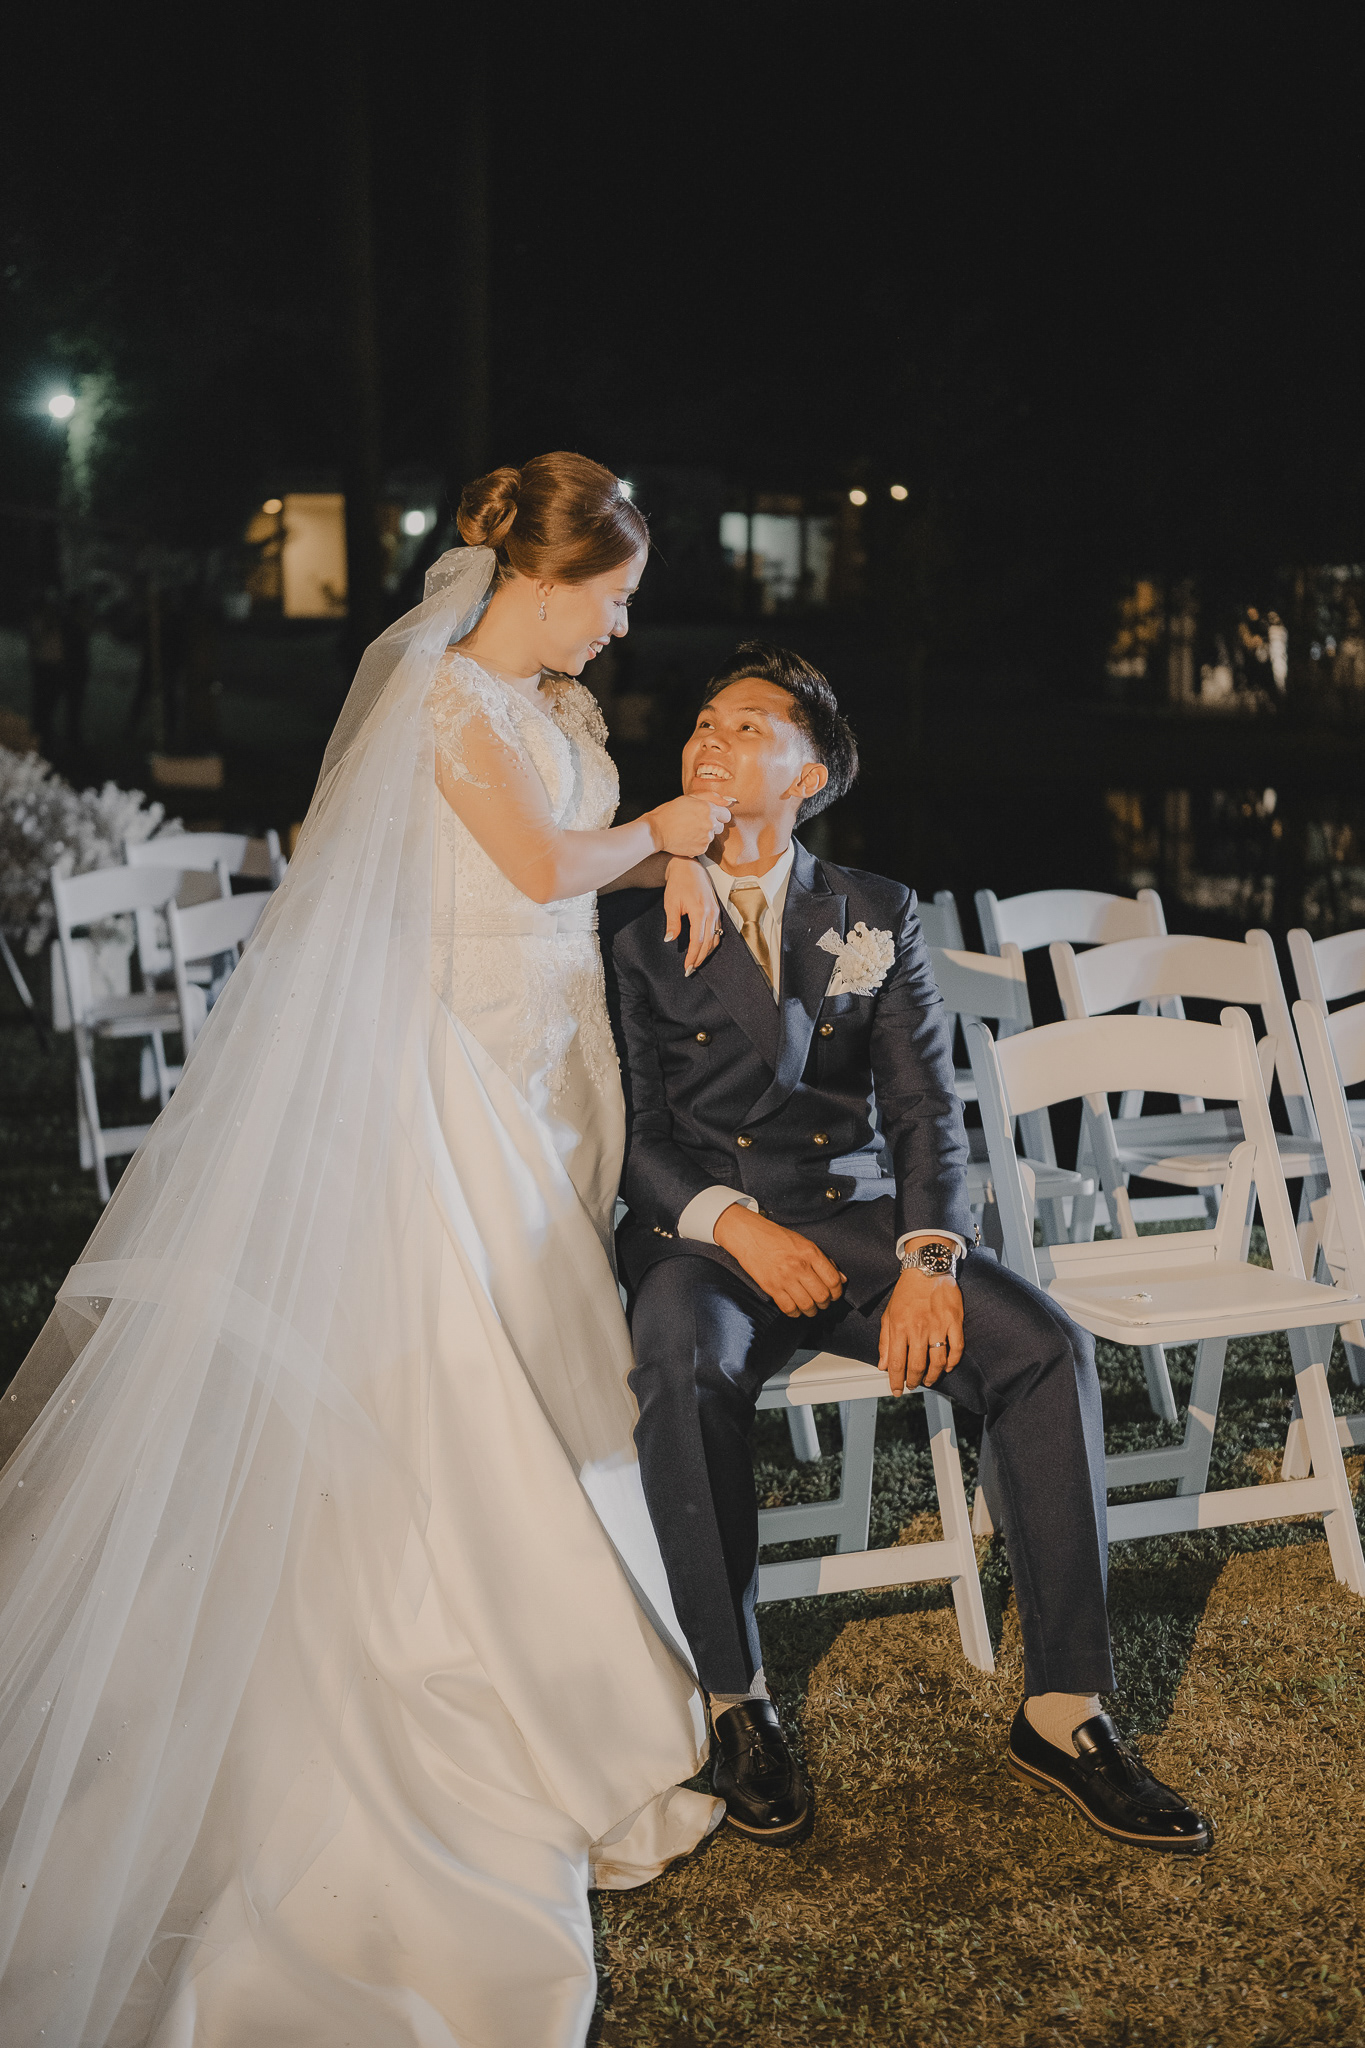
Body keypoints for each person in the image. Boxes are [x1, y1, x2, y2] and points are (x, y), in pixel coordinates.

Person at [0, 455, 736, 2047]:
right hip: (449, 1075)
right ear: (546, 576)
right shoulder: (445, 701)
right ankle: (469, 1677)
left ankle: (574, 1657)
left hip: (546, 1071)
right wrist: (668, 828)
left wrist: (666, 852)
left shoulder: (551, 705)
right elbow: (533, 869)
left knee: (544, 1359)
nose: (623, 624)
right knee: (454, 1374)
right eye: (613, 594)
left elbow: (570, 859)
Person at [609, 641, 1214, 1858]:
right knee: (678, 1353)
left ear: (810, 775)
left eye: (747, 725)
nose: (710, 738)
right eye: (704, 721)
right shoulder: (627, 922)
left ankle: (1065, 1708)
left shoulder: (875, 910)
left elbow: (928, 1108)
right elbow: (626, 1128)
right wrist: (735, 1226)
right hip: (705, 1232)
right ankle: (735, 1700)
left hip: (856, 1220)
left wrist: (930, 1260)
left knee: (1040, 1346)